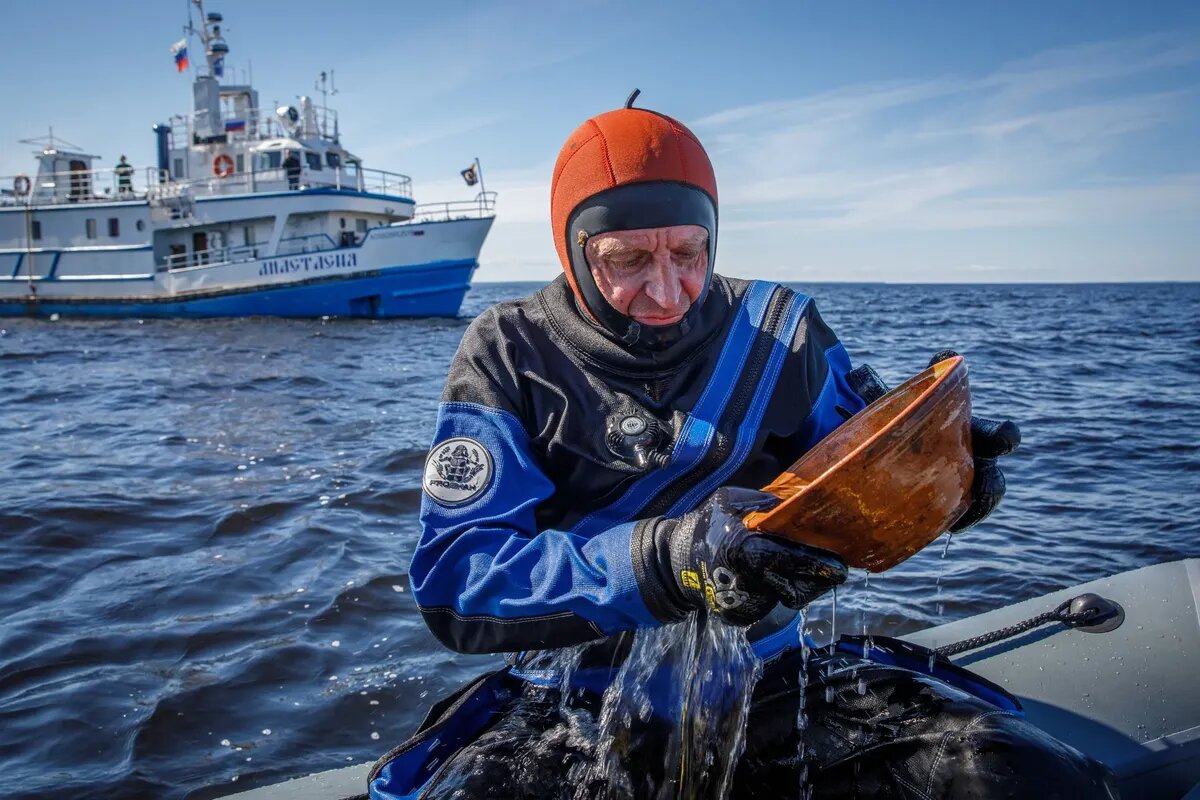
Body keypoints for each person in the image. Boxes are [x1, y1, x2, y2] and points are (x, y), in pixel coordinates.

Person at [379, 96, 1118, 799]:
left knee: (1027, 780)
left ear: (714, 235)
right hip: (573, 696)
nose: (667, 291)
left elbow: (856, 489)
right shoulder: (509, 350)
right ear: (574, 251)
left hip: (768, 676)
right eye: (627, 260)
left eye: (688, 253)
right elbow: (459, 582)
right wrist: (671, 561)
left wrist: (941, 483)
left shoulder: (781, 332)